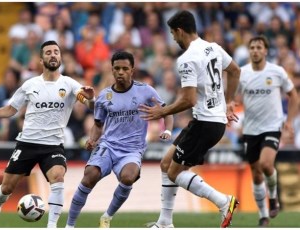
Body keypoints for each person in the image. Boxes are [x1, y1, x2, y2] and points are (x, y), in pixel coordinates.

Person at [0, 40, 95, 228]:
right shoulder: (30, 84)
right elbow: (11, 109)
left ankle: (52, 226)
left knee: (58, 176)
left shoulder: (70, 84)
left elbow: (88, 103)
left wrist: (91, 98)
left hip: (53, 145)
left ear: (61, 57)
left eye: (56, 52)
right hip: (27, 143)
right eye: (48, 52)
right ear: (41, 60)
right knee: (6, 188)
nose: (53, 55)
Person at [138, 10, 241, 228]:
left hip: (204, 123)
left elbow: (189, 100)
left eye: (173, 34)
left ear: (180, 31)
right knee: (166, 163)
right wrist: (229, 101)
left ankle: (223, 202)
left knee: (175, 172)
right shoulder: (214, 48)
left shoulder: (187, 58)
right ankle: (165, 222)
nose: (173, 38)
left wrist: (161, 112)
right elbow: (235, 70)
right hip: (211, 121)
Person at [65, 51, 174, 228]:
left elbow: (167, 112)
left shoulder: (145, 91)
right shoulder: (104, 96)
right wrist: (92, 139)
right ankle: (69, 226)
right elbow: (98, 125)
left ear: (132, 70)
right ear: (112, 70)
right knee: (89, 176)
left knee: (128, 177)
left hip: (132, 150)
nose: (120, 72)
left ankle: (106, 217)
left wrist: (168, 130)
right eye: (117, 68)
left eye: (125, 68)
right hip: (108, 145)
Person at [238, 35, 298, 227]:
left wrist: (289, 121)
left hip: (272, 127)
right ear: (249, 51)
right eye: (252, 47)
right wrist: (230, 102)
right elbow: (230, 93)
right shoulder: (242, 73)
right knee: (256, 174)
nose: (255, 50)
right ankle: (263, 215)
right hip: (250, 129)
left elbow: (293, 96)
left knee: (265, 164)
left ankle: (273, 198)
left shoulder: (277, 71)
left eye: (259, 47)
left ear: (265, 51)